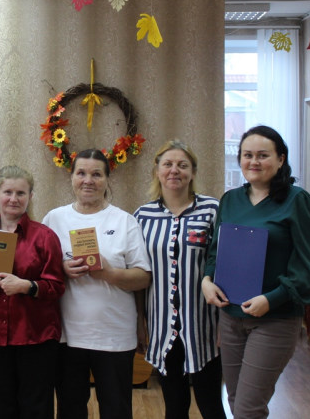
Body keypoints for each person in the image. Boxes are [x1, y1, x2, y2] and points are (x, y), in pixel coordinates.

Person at [202, 126, 310, 418]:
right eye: (247, 155)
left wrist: (272, 298)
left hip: (275, 319)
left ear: (281, 159)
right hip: (231, 316)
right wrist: (207, 279)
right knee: (235, 400)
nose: (253, 161)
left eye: (263, 155)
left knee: (248, 408)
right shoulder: (230, 199)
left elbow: (309, 265)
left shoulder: (297, 201)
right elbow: (217, 250)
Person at [42, 148, 151, 419]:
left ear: (107, 179)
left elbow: (143, 277)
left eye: (96, 174)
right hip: (67, 337)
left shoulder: (124, 221)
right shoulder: (54, 219)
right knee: (70, 410)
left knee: (116, 410)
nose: (88, 180)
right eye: (81, 173)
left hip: (114, 336)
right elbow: (40, 272)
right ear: (72, 177)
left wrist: (109, 273)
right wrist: (62, 269)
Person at [134, 140, 225, 419]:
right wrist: (140, 322)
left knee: (211, 405)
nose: (175, 170)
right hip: (162, 328)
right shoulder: (142, 216)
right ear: (157, 171)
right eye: (168, 164)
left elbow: (223, 265)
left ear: (193, 172)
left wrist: (225, 324)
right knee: (174, 406)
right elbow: (139, 273)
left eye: (182, 165)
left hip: (204, 327)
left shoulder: (212, 210)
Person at [0, 166, 64, 419]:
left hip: (35, 335)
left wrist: (27, 286)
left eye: (21, 193)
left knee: (36, 407)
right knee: (0, 406)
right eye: (8, 192)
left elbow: (57, 286)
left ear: (30, 196)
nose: (14, 199)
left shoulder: (45, 236)